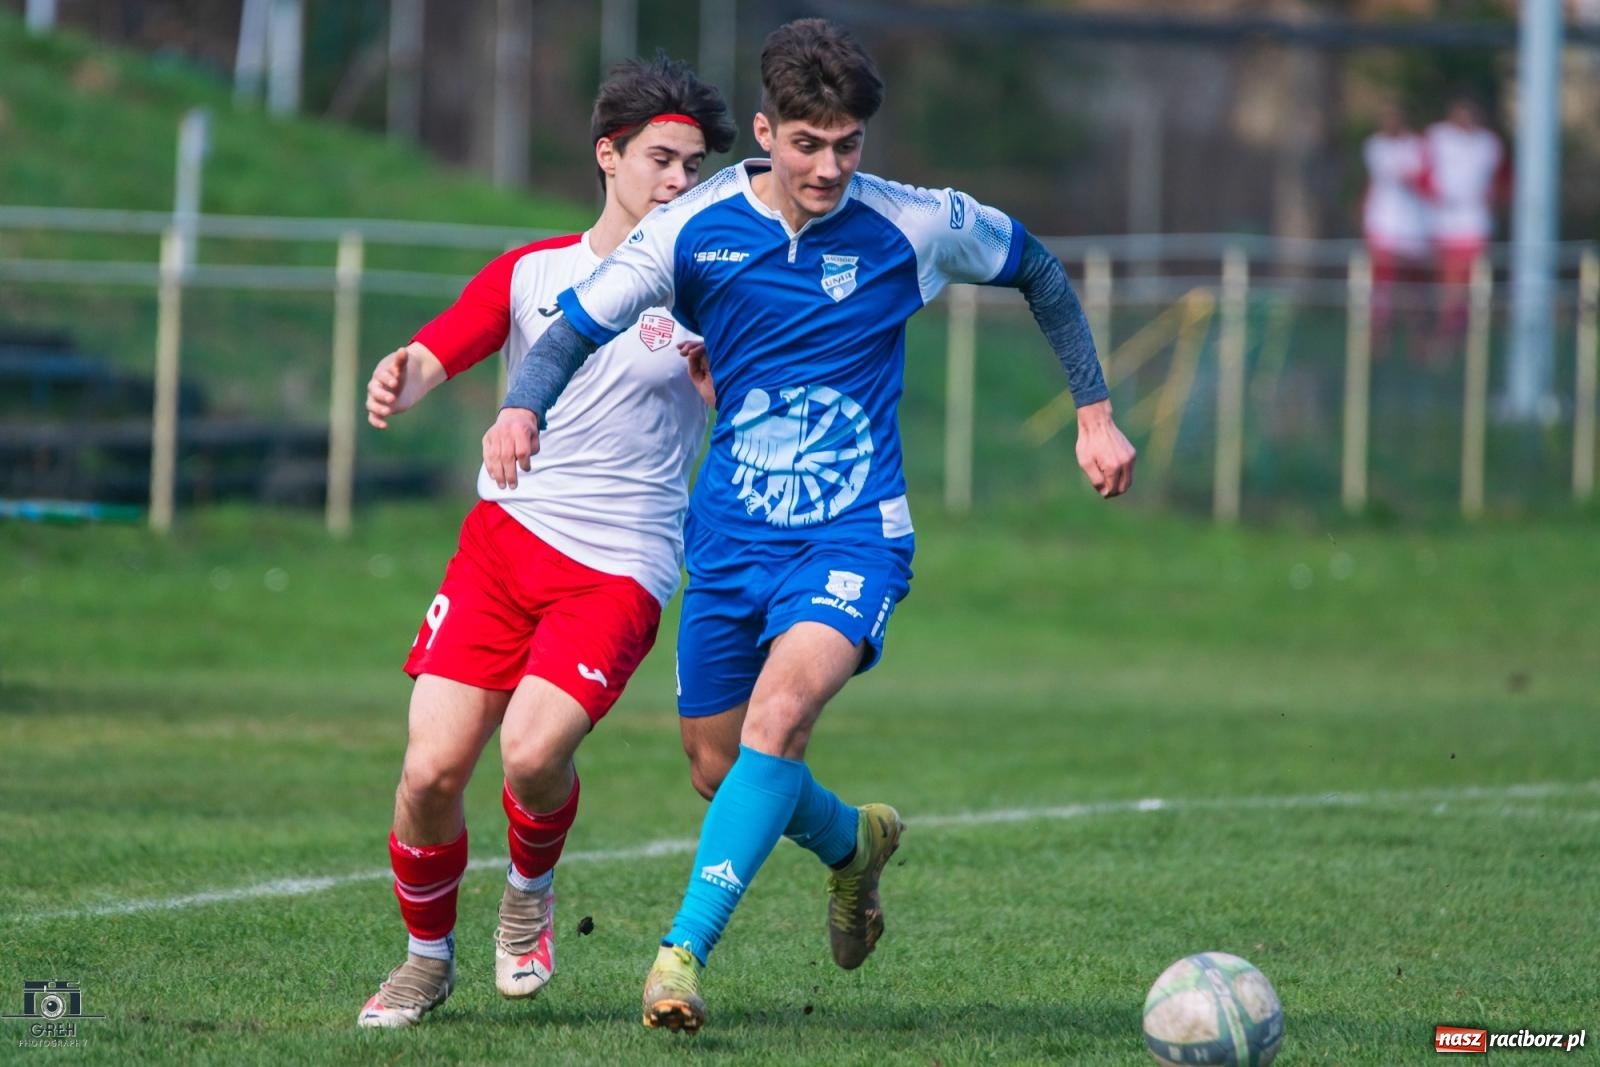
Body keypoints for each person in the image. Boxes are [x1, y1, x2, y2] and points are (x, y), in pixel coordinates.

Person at [481, 18, 1136, 1034]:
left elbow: (1039, 270)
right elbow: (575, 322)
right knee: (716, 766)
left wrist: (1093, 411)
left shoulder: (910, 224)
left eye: (848, 144)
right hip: (731, 537)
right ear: (764, 131)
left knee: (776, 721)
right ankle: (852, 844)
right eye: (807, 144)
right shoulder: (692, 227)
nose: (829, 167)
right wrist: (523, 404)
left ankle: (679, 955)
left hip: (852, 536)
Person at [354, 54, 735, 1029]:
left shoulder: (707, 290)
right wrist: (402, 373)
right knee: (431, 771)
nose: (677, 182)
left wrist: (724, 394)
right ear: (606, 156)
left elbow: (752, 407)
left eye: (693, 166)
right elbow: (443, 346)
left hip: (618, 567)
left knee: (530, 753)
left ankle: (529, 889)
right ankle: (424, 960)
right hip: (501, 546)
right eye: (660, 158)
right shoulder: (534, 273)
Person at [1422, 97, 1507, 352]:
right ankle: (1446, 332)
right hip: (1445, 222)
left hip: (1474, 223)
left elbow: (1500, 181)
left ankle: (1465, 333)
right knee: (1448, 281)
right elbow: (1422, 173)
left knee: (1472, 280)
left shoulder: (1487, 144)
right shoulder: (1438, 137)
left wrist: (1491, 198)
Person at [1360, 104, 1430, 357]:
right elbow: (1400, 176)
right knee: (1382, 285)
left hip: (1413, 227)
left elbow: (1422, 178)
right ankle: (1379, 338)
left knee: (1415, 290)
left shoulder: (1417, 145)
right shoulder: (1375, 146)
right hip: (1384, 225)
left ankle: (1417, 340)